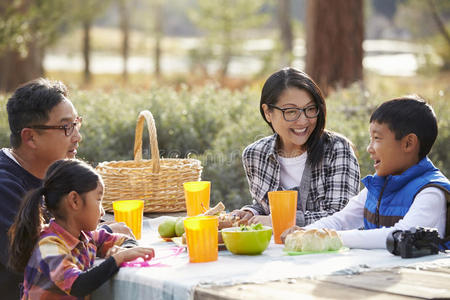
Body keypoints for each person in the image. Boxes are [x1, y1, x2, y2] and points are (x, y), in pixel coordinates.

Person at [0, 78, 132, 299]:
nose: (77, 137)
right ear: (30, 137)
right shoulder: (5, 187)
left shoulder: (53, 172)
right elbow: (40, 256)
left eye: (76, 124)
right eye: (66, 127)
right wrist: (103, 233)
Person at [281, 96, 450, 249]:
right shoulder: (378, 185)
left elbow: (402, 235)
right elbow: (342, 220)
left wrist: (330, 238)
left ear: (408, 143)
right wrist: (306, 232)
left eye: (377, 138)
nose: (369, 148)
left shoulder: (431, 192)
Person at [8, 159, 155, 299]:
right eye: (98, 200)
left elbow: (125, 239)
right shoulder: (49, 246)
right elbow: (79, 284)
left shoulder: (85, 236)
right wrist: (118, 258)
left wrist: (125, 248)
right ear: (74, 201)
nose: (102, 212)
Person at [232, 68, 360, 227]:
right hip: (273, 250)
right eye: (291, 111)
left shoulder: (337, 149)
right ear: (267, 113)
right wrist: (251, 213)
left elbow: (342, 218)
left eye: (310, 109)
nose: (303, 121)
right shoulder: (255, 155)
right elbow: (265, 207)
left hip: (326, 250)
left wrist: (279, 221)